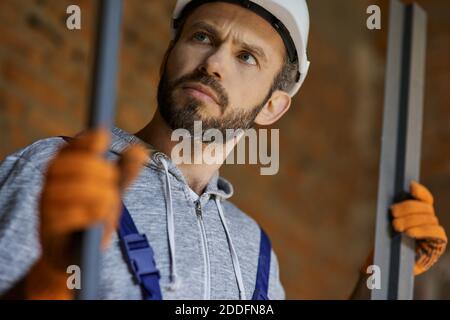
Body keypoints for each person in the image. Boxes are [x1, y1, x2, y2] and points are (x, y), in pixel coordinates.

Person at [0, 0, 446, 300]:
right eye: (201, 37)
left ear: (272, 107)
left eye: (246, 56)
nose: (213, 62)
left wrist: (378, 279)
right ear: (168, 56)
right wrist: (51, 276)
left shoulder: (254, 250)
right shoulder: (57, 173)